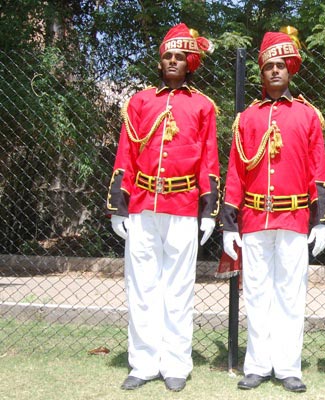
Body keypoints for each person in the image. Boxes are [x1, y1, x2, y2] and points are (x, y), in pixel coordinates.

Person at [106, 23, 220, 392]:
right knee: (141, 287)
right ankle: (142, 362)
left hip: (184, 205)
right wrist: (118, 206)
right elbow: (125, 153)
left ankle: (175, 363)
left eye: (179, 57)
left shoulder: (203, 106)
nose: (172, 62)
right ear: (160, 61)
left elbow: (208, 161)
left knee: (178, 287)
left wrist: (209, 210)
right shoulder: (140, 102)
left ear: (190, 62)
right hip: (141, 205)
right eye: (167, 56)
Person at [221, 28, 325, 393]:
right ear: (261, 72)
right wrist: (228, 222)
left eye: (280, 65)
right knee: (256, 292)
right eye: (268, 66)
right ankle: (257, 364)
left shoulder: (308, 116)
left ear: (291, 70)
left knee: (289, 293)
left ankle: (287, 366)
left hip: (295, 218)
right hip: (253, 218)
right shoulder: (247, 118)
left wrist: (322, 219)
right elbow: (236, 171)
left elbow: (318, 169)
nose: (274, 72)